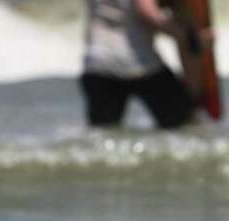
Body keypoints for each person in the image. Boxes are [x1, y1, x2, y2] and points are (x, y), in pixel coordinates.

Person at [80, 0, 197, 129]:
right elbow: (148, 13)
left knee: (103, 133)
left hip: (97, 63)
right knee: (185, 125)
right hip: (139, 63)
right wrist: (189, 37)